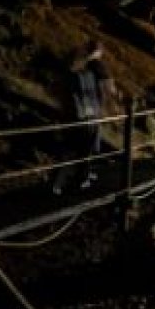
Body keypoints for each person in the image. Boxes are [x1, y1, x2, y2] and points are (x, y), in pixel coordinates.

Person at [52, 40, 117, 194]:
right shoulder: (96, 66)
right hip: (89, 114)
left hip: (73, 113)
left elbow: (58, 89)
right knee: (84, 148)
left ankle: (61, 182)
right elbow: (109, 88)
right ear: (98, 52)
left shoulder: (72, 67)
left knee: (71, 148)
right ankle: (78, 179)